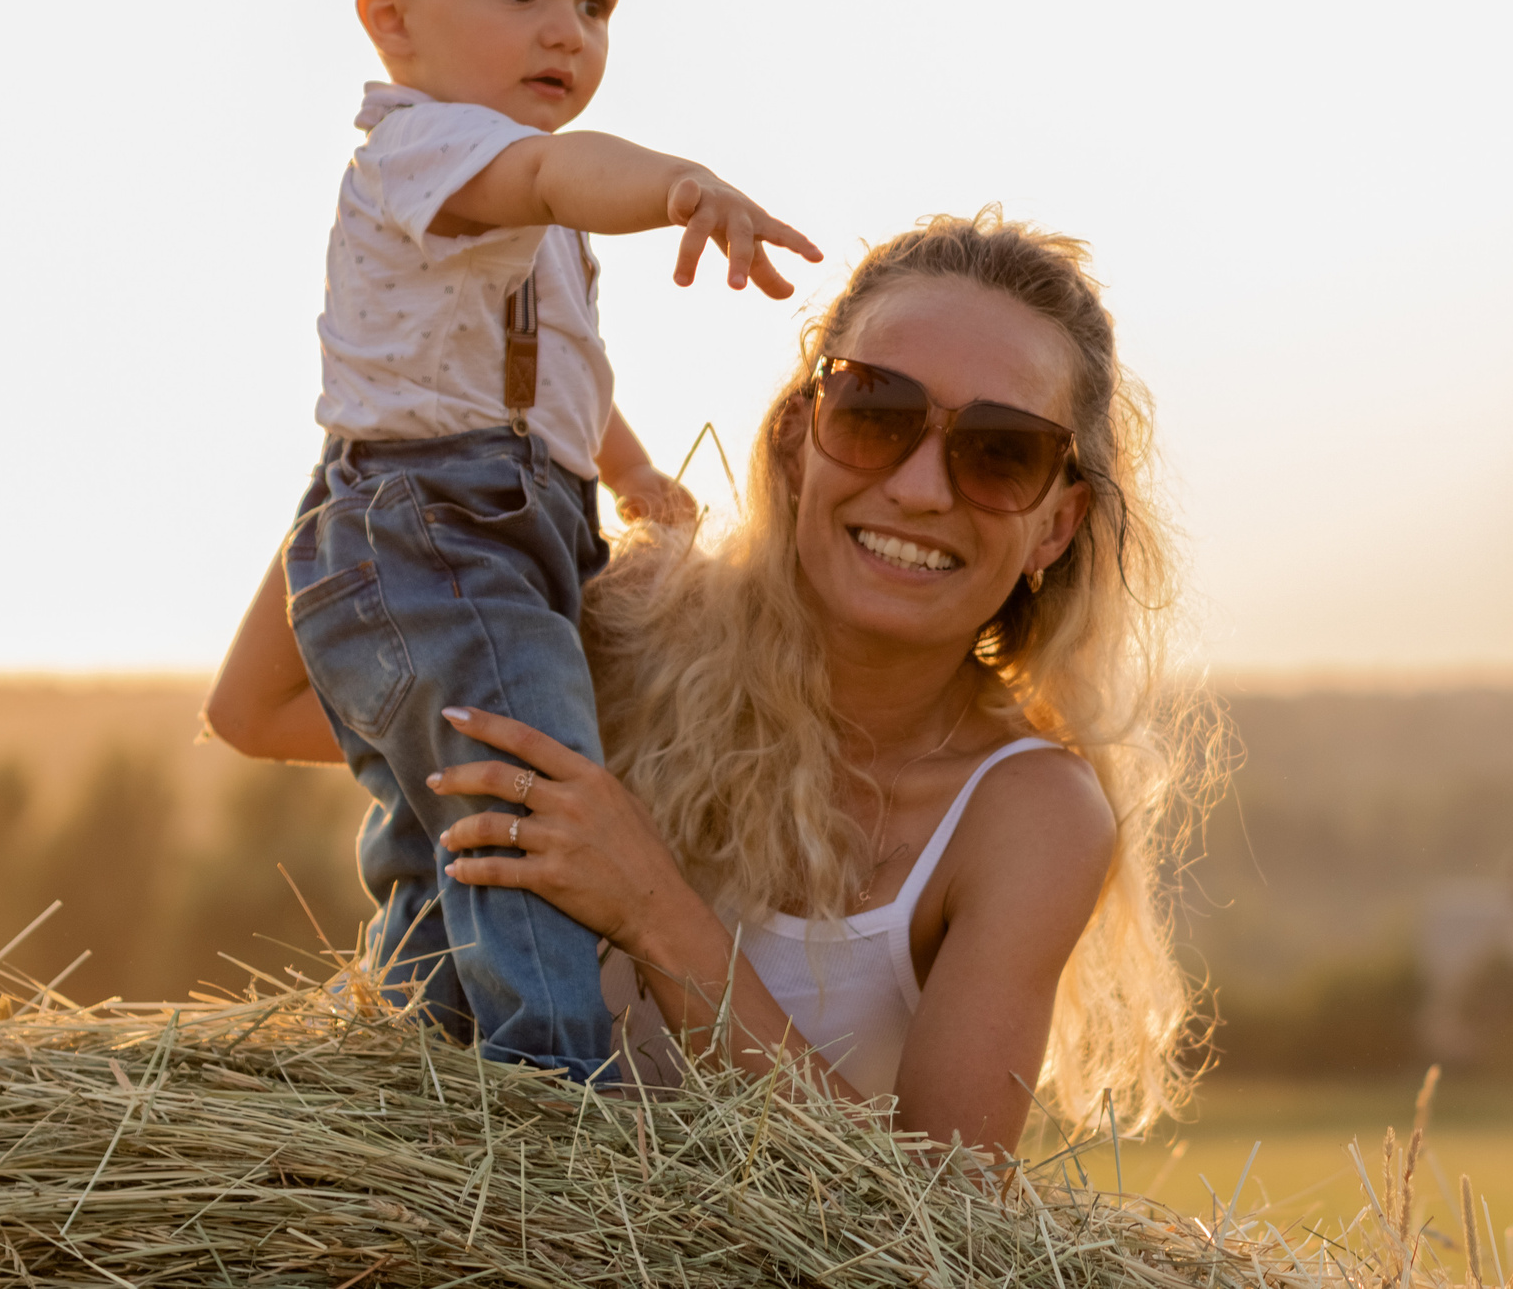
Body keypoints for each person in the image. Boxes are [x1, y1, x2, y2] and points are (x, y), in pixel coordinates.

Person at [208, 212, 1207, 1151]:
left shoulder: (1028, 814)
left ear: (1056, 524)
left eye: (1000, 453)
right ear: (795, 438)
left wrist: (654, 911)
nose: (917, 486)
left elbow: (945, 1224)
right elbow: (262, 707)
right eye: (875, 412)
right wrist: (391, 422)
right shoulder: (627, 630)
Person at [249, 0, 820, 1083]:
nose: (569, 31)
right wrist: (679, 183)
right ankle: (558, 1091)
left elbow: (548, 380)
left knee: (449, 820)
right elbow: (564, 175)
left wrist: (623, 472)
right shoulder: (428, 150)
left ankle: (432, 1052)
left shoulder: (515, 205)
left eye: (596, 3)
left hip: (496, 520)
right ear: (389, 22)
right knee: (532, 791)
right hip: (435, 524)